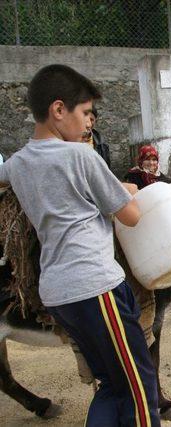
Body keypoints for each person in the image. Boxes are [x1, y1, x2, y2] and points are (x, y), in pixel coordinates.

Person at [0, 64, 159, 426]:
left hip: (58, 294)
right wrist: (125, 191)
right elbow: (130, 216)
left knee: (110, 385)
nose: (90, 123)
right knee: (139, 384)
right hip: (96, 285)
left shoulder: (19, 162)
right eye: (86, 113)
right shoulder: (81, 156)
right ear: (59, 110)